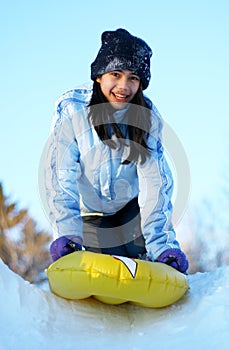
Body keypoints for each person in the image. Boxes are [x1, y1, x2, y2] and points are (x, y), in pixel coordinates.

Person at [43, 28, 189, 273]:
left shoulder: (147, 119)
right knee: (102, 263)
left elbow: (156, 186)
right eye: (116, 74)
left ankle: (147, 256)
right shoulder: (73, 111)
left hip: (133, 213)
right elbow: (60, 177)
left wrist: (163, 247)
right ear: (99, 76)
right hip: (91, 214)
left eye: (133, 78)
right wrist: (67, 234)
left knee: (136, 256)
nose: (124, 86)